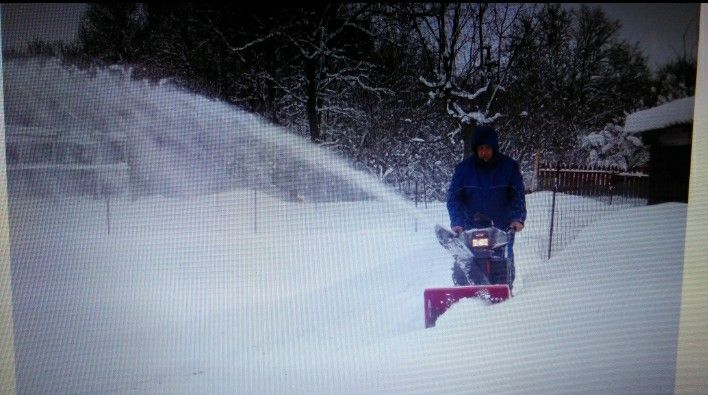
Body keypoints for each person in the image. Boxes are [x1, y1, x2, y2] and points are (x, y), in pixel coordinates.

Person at [446, 124, 526, 290]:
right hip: (470, 228)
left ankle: (505, 291)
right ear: (475, 149)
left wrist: (517, 219)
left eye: (488, 148)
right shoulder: (463, 170)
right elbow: (454, 199)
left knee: (503, 262)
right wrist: (457, 222)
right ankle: (465, 294)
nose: (484, 152)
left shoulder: (509, 167)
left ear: (494, 148)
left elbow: (517, 196)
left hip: (501, 228)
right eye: (481, 148)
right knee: (467, 263)